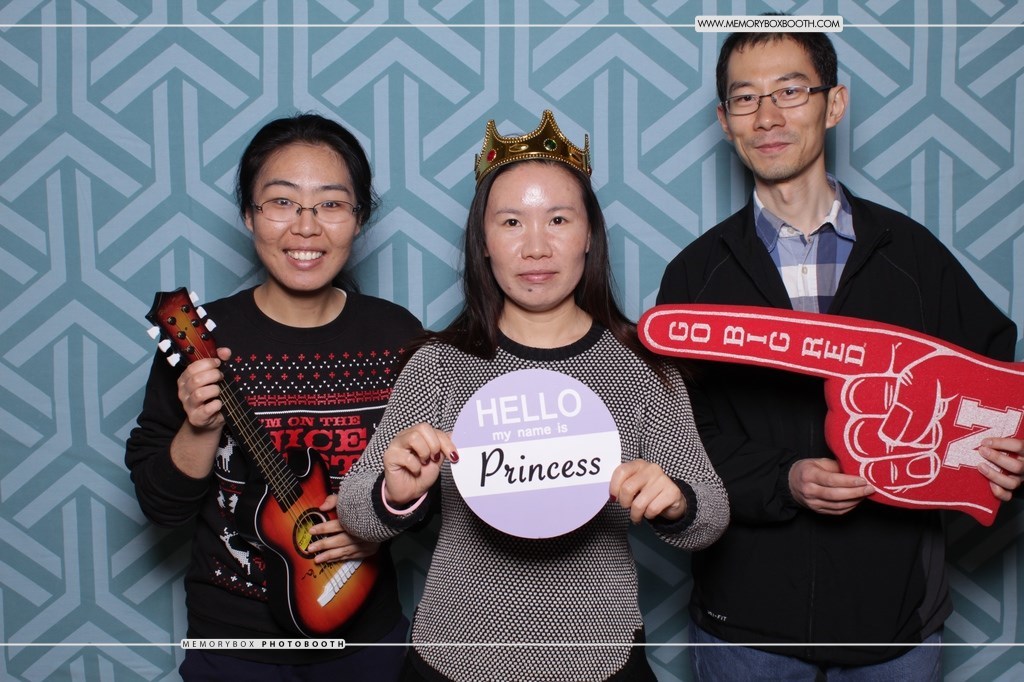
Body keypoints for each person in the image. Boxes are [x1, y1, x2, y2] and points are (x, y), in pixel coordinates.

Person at [656, 26, 1024, 681]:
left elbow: (995, 387)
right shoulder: (694, 278)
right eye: (745, 98)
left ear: (834, 104)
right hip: (746, 627)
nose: (767, 116)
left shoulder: (913, 258)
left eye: (790, 91)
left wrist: (1007, 452)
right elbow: (678, 434)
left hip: (894, 624)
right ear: (724, 121)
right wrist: (785, 480)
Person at [336, 110, 730, 682]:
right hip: (454, 659)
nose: (536, 247)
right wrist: (395, 494)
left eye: (559, 219)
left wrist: (675, 500)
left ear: (589, 235)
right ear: (484, 242)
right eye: (512, 222)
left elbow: (711, 515)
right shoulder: (440, 365)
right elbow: (356, 512)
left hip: (598, 659)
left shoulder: (643, 369)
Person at [125, 113, 422, 680]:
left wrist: (376, 523)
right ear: (248, 214)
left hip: (366, 637)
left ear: (359, 218)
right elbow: (161, 508)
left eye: (331, 204)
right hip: (232, 645)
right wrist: (199, 427)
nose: (306, 227)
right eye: (282, 202)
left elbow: (436, 492)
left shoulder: (397, 336)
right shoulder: (200, 342)